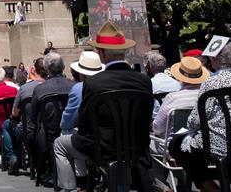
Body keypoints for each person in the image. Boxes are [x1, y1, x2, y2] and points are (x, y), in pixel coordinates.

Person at [53, 22, 152, 192]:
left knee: (59, 144)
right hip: (137, 146)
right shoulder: (144, 81)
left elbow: (84, 125)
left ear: (102, 53)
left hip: (101, 148)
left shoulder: (93, 83)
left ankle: (70, 189)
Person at [170, 41, 231, 192]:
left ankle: (211, 189)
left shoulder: (211, 82)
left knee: (176, 146)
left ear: (216, 59)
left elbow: (194, 121)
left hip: (215, 144)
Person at [151, 56, 208, 150]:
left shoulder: (172, 97)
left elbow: (158, 128)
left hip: (174, 148)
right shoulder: (207, 96)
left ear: (181, 77)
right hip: (202, 146)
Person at [60, 51, 104, 134]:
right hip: (109, 135)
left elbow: (66, 123)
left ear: (81, 74)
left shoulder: (79, 88)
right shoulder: (108, 84)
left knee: (61, 137)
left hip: (89, 137)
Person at [146, 51, 180, 118]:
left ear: (150, 67)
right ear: (164, 66)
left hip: (157, 120)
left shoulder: (149, 84)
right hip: (177, 119)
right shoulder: (177, 84)